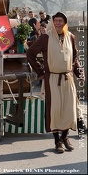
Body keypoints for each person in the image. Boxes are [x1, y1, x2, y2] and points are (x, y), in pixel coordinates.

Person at [26, 12, 85, 153]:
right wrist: (41, 72)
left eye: (61, 21)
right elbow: (30, 54)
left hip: (68, 78)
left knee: (69, 109)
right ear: (52, 22)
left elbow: (75, 58)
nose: (58, 23)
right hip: (52, 79)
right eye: (55, 21)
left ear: (65, 23)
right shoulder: (45, 38)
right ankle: (57, 141)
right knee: (55, 110)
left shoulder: (70, 37)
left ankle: (65, 137)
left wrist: (79, 72)